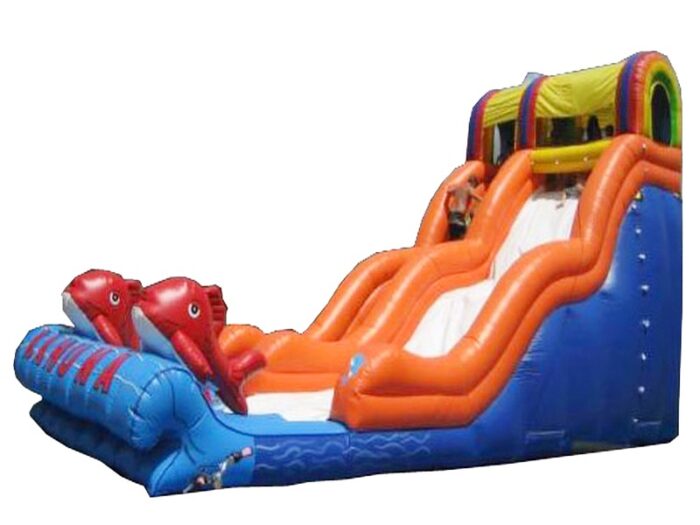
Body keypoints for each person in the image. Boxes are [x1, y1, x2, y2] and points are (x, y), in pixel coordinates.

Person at [445, 175, 483, 240]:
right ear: (473, 183)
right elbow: (477, 198)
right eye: (475, 187)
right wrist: (485, 200)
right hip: (459, 216)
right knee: (464, 237)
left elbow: (448, 191)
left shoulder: (458, 187)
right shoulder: (469, 188)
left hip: (451, 216)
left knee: (453, 238)